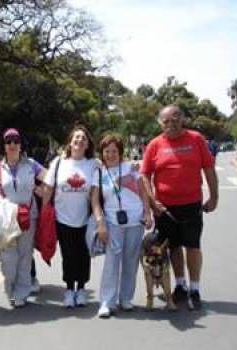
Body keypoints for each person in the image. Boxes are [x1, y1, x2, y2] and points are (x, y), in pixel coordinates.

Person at [140, 105, 218, 310]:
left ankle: (194, 288)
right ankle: (180, 285)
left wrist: (214, 196)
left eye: (175, 119)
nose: (170, 123)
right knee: (173, 247)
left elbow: (208, 168)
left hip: (192, 204)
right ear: (160, 123)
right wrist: (152, 200)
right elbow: (144, 175)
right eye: (166, 121)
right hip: (165, 208)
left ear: (182, 119)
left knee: (192, 246)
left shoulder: (196, 139)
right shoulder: (155, 144)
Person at [91, 134, 153, 318]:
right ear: (102, 153)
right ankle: (106, 302)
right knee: (112, 261)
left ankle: (126, 298)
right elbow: (94, 200)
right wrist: (100, 222)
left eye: (114, 151)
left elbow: (143, 192)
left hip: (135, 221)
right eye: (107, 151)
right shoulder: (99, 172)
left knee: (131, 260)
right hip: (112, 222)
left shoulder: (131, 168)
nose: (110, 155)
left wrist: (147, 213)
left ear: (120, 152)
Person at [0, 128, 46, 308]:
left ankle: (22, 292)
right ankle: (10, 287)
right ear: (4, 146)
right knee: (8, 258)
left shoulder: (31, 164)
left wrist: (41, 190)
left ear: (21, 145)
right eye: (8, 141)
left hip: (29, 216)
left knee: (25, 255)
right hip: (6, 219)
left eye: (15, 141)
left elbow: (50, 178)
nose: (12, 145)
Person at [43, 125, 98, 308]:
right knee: (68, 255)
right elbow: (48, 188)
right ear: (70, 142)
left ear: (88, 144)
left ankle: (81, 289)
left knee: (83, 255)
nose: (79, 141)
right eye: (76, 138)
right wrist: (44, 211)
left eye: (83, 139)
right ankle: (69, 290)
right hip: (62, 218)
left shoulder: (93, 164)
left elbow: (112, 169)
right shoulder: (59, 162)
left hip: (85, 218)